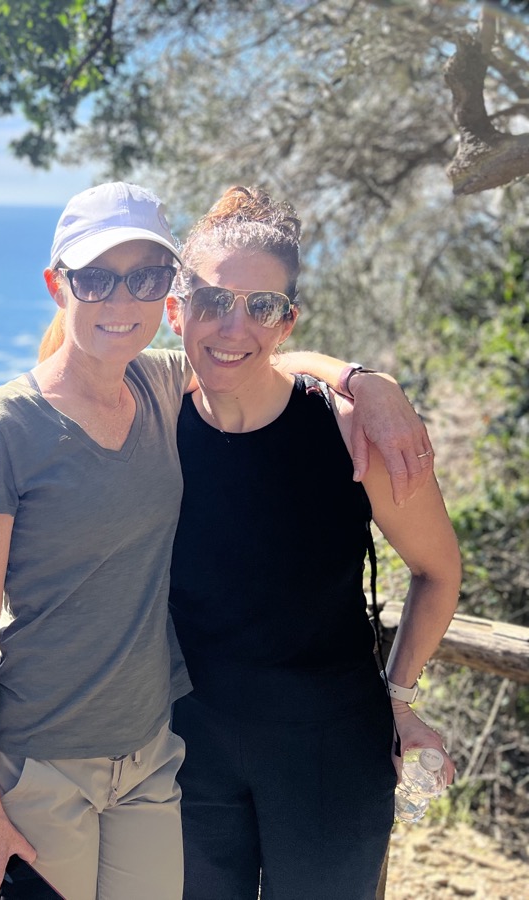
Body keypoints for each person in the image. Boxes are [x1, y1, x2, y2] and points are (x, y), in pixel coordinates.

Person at [0, 182, 436, 900]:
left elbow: (260, 358)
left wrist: (366, 381)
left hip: (152, 761)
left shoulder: (158, 387)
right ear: (59, 286)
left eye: (143, 277)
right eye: (95, 278)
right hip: (48, 761)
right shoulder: (1, 428)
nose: (121, 300)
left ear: (165, 299)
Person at [163, 185, 460, 899]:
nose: (234, 325)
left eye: (262, 305)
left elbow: (438, 572)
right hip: (184, 755)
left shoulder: (352, 433)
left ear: (288, 321)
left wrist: (401, 696)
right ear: (175, 310)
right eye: (211, 299)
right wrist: (353, 370)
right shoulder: (147, 420)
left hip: (333, 752)